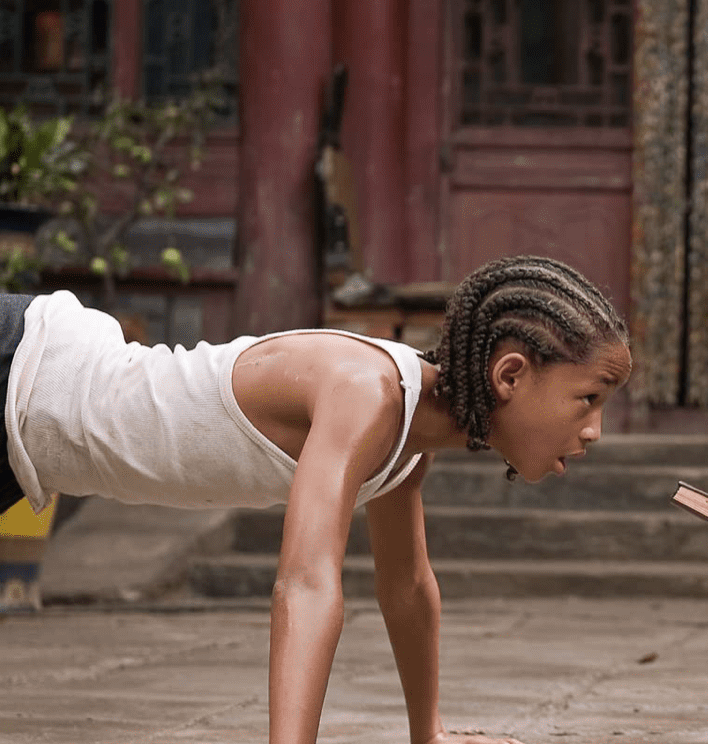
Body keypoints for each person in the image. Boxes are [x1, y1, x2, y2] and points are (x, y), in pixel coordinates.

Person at [2, 254, 633, 744]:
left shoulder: (410, 439)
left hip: (27, 437)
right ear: (512, 375)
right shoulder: (366, 393)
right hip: (23, 366)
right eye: (588, 399)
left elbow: (406, 586)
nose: (594, 430)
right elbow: (305, 583)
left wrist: (429, 732)